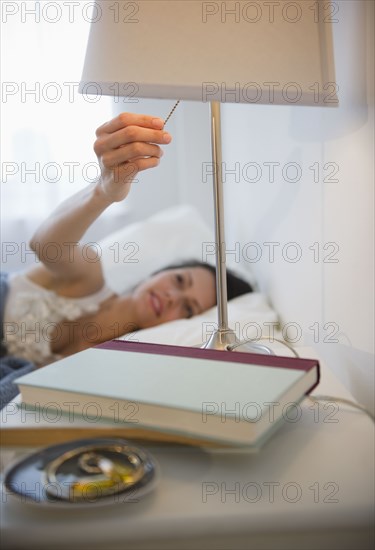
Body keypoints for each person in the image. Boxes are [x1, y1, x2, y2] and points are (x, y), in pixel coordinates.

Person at [1, 113, 252, 369]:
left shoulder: (116, 363)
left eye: (187, 308)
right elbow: (46, 245)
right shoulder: (89, 279)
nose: (172, 297)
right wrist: (105, 192)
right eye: (178, 280)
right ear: (157, 273)